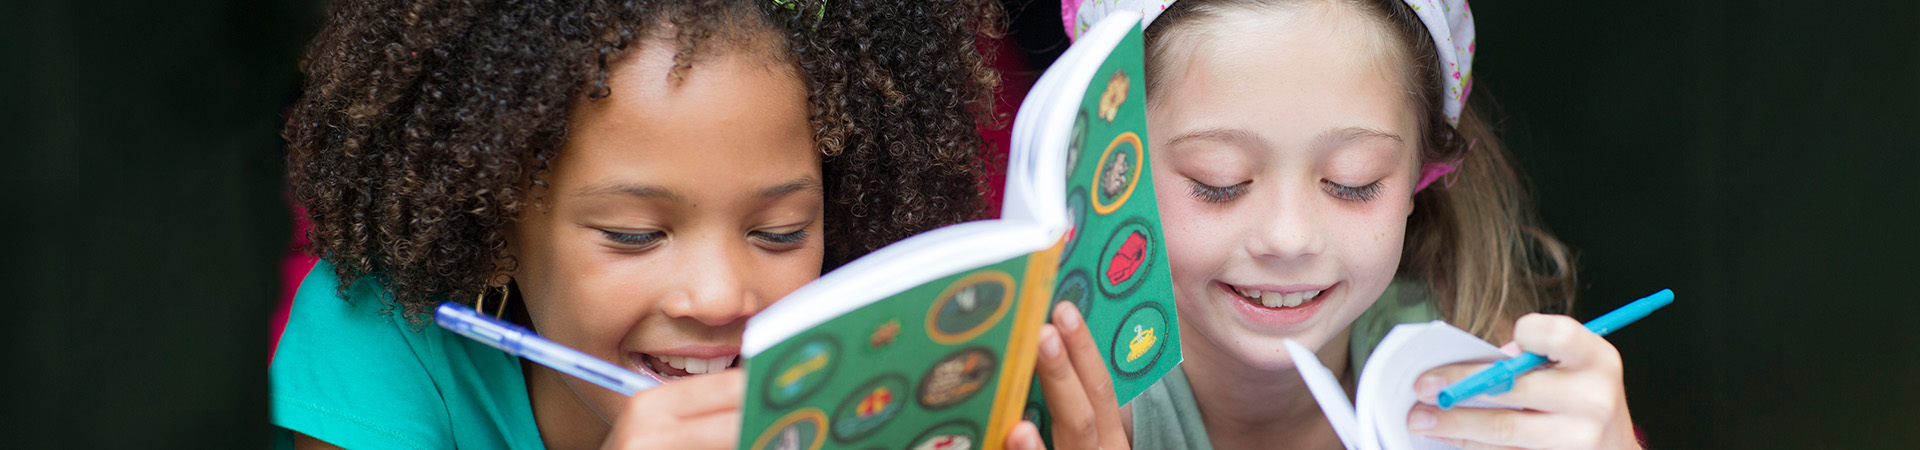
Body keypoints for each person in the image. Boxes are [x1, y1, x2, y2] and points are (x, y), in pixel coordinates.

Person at [269, 0, 1003, 448]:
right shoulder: (377, 343)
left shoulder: (874, 363)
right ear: (492, 223)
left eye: (780, 231)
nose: (719, 299)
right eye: (634, 234)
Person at [1012, 1, 1644, 449]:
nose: (1288, 238)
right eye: (1219, 180)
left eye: (1353, 181)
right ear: (1121, 172)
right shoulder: (1050, 411)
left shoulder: (1483, 375)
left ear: (1419, 175)